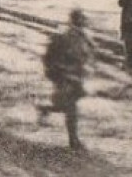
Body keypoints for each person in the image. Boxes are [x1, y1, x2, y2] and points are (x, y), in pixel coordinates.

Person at [40, 9, 94, 151]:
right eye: (81, 19)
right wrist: (60, 71)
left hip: (74, 75)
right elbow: (52, 57)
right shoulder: (66, 36)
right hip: (65, 75)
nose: (84, 22)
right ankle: (73, 140)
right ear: (75, 20)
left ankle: (46, 108)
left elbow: (88, 52)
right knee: (71, 108)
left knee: (67, 105)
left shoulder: (82, 36)